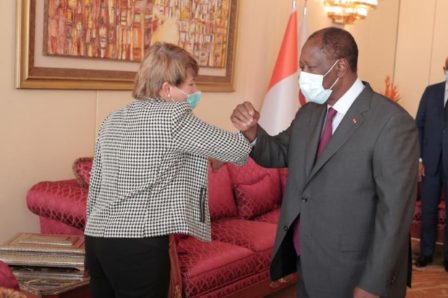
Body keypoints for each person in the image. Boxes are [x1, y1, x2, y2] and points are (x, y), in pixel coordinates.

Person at [231, 27, 419, 298]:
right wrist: (252, 131)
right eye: (300, 67)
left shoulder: (392, 122)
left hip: (356, 270)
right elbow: (279, 152)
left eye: (310, 67)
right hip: (307, 258)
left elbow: (395, 213)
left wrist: (373, 284)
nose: (302, 76)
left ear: (340, 66)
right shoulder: (310, 112)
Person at [84, 42, 252, 298]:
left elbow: (97, 182)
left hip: (97, 239)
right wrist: (251, 129)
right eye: (191, 84)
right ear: (166, 89)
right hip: (138, 243)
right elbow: (236, 148)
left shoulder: (113, 118)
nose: (196, 90)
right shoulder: (174, 117)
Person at [415, 53, 448, 273]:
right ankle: (426, 253)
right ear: (444, 68)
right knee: (428, 210)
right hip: (429, 163)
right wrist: (419, 158)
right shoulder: (430, 92)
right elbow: (418, 125)